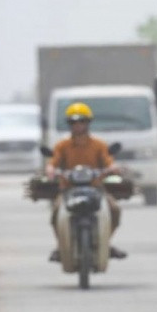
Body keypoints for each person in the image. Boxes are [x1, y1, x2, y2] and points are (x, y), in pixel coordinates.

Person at [47, 102, 126, 260]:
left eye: (81, 121)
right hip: (68, 190)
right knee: (56, 213)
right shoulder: (62, 146)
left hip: (95, 189)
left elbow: (108, 161)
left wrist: (113, 168)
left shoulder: (99, 145)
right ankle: (61, 246)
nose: (78, 126)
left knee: (114, 210)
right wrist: (50, 170)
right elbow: (53, 163)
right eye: (74, 122)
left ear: (88, 123)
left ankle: (105, 242)